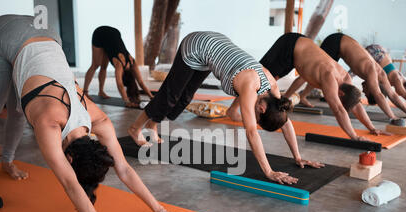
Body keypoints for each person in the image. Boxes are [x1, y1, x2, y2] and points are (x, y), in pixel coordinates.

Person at [0, 15, 195, 212]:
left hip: (46, 32)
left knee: (19, 112)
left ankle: (7, 162)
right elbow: (69, 183)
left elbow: (125, 169)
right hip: (5, 32)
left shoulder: (99, 120)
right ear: (71, 160)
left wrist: (160, 209)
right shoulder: (49, 123)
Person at [128, 31, 323, 185]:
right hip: (197, 45)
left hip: (212, 50)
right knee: (170, 96)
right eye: (257, 117)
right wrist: (269, 172)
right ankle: (136, 128)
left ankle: (153, 125)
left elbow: (285, 122)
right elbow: (252, 133)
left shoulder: (274, 93)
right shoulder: (250, 86)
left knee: (184, 99)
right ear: (261, 109)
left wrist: (298, 157)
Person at [260, 33, 389, 140]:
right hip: (289, 45)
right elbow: (339, 110)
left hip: (300, 48)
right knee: (258, 78)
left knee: (270, 79)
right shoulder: (330, 79)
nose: (338, 101)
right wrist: (354, 136)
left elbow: (357, 105)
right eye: (340, 100)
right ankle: (239, 110)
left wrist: (371, 128)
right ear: (341, 94)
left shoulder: (346, 79)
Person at [295, 33, 406, 121]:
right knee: (309, 73)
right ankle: (289, 95)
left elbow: (393, 95)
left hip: (341, 44)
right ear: (374, 87)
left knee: (318, 77)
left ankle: (302, 96)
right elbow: (379, 95)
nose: (363, 90)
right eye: (367, 92)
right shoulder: (372, 71)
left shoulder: (382, 76)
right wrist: (392, 116)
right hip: (336, 42)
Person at [83, 26, 154, 107]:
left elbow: (141, 82)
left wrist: (151, 96)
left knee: (104, 67)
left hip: (115, 34)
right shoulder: (119, 65)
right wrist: (127, 101)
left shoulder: (132, 62)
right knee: (95, 65)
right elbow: (120, 85)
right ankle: (85, 92)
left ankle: (101, 91)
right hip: (100, 33)